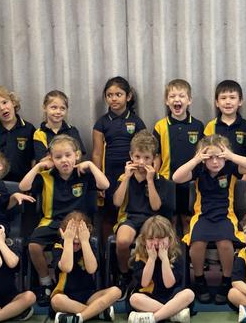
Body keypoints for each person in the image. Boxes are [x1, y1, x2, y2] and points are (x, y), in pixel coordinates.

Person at [20, 135, 109, 306]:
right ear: (51, 159)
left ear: (76, 155)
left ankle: (84, 286)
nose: (64, 160)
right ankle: (46, 282)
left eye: (68, 155)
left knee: (87, 245)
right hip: (51, 221)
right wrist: (39, 166)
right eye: (58, 157)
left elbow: (105, 185)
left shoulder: (84, 174)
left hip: (78, 223)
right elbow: (23, 187)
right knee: (33, 245)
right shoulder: (46, 176)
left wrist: (90, 164)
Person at [174, 134, 246, 304]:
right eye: (210, 157)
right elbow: (176, 178)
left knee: (224, 243)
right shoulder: (199, 169)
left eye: (219, 156)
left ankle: (226, 280)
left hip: (225, 216)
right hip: (202, 216)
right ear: (203, 159)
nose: (215, 161)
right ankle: (199, 280)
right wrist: (196, 159)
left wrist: (231, 156)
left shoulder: (231, 168)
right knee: (197, 243)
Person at [92, 76, 146, 241]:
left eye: (118, 94)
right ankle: (108, 257)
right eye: (109, 95)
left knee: (129, 213)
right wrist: (97, 180)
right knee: (109, 214)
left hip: (131, 173)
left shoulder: (136, 121)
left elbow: (144, 150)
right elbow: (97, 153)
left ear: (128, 96)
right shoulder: (101, 123)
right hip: (109, 174)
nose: (113, 98)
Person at [113, 130, 165, 299]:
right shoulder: (125, 177)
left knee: (150, 241)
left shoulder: (157, 179)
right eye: (137, 157)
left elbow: (156, 206)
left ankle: (147, 279)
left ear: (154, 159)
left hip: (152, 219)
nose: (141, 162)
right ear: (131, 156)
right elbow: (117, 202)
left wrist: (150, 180)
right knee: (122, 241)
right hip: (129, 218)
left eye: (146, 158)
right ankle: (124, 274)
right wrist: (126, 178)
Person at [153, 79, 204, 235]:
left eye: (181, 96)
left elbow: (202, 155)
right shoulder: (160, 126)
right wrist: (154, 177)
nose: (177, 99)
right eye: (172, 96)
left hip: (190, 183)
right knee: (171, 221)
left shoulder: (198, 125)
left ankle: (189, 258)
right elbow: (156, 156)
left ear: (189, 100)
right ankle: (172, 257)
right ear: (166, 101)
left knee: (188, 220)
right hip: (168, 182)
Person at [51, 212, 121, 323]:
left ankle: (80, 317)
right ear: (63, 232)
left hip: (89, 296)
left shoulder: (89, 246)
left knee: (116, 291)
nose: (76, 237)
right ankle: (97, 313)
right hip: (66, 296)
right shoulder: (58, 247)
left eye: (80, 232)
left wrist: (84, 241)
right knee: (56, 300)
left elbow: (91, 269)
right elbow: (67, 267)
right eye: (72, 232)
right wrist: (68, 240)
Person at [128, 215, 194, 323]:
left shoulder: (175, 255)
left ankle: (154, 318)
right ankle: (173, 314)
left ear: (169, 238)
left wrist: (164, 259)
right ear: (144, 240)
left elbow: (169, 284)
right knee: (134, 299)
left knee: (189, 294)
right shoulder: (140, 256)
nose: (155, 243)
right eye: (150, 239)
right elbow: (144, 283)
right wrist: (151, 259)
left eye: (160, 238)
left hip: (171, 297)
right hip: (148, 298)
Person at [0, 86, 36, 182]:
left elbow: (34, 159)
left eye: (4, 102)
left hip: (23, 184)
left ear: (13, 102)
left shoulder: (29, 129)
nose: (2, 108)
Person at [204, 80, 246, 161]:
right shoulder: (211, 126)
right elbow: (206, 154)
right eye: (223, 98)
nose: (228, 102)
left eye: (232, 97)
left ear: (240, 101)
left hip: (241, 173)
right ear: (217, 102)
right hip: (217, 172)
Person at [33, 90, 86, 162]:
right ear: (44, 108)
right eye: (54, 107)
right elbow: (42, 160)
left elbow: (79, 155)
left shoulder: (72, 131)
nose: (58, 112)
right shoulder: (39, 134)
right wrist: (68, 156)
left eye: (62, 108)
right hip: (48, 173)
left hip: (70, 172)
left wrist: (54, 157)